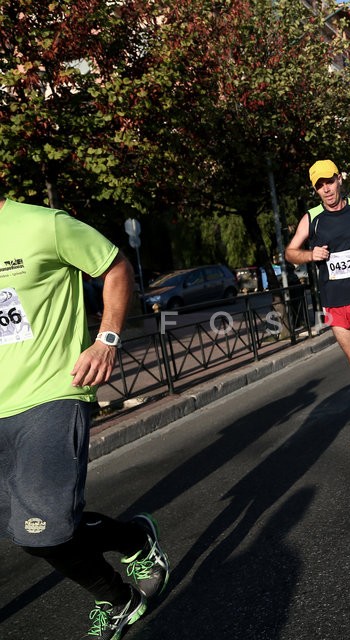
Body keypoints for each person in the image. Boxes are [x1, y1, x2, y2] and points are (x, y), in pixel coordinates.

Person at [0, 198, 169, 640]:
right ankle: (122, 585)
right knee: (23, 531)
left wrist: (106, 340)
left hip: (52, 392)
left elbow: (116, 268)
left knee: (44, 529)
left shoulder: (43, 225)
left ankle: (130, 556)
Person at [285, 160, 350, 448]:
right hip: (332, 302)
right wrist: (310, 255)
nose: (326, 189)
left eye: (329, 181)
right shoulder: (312, 218)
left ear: (339, 179)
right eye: (319, 185)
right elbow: (291, 252)